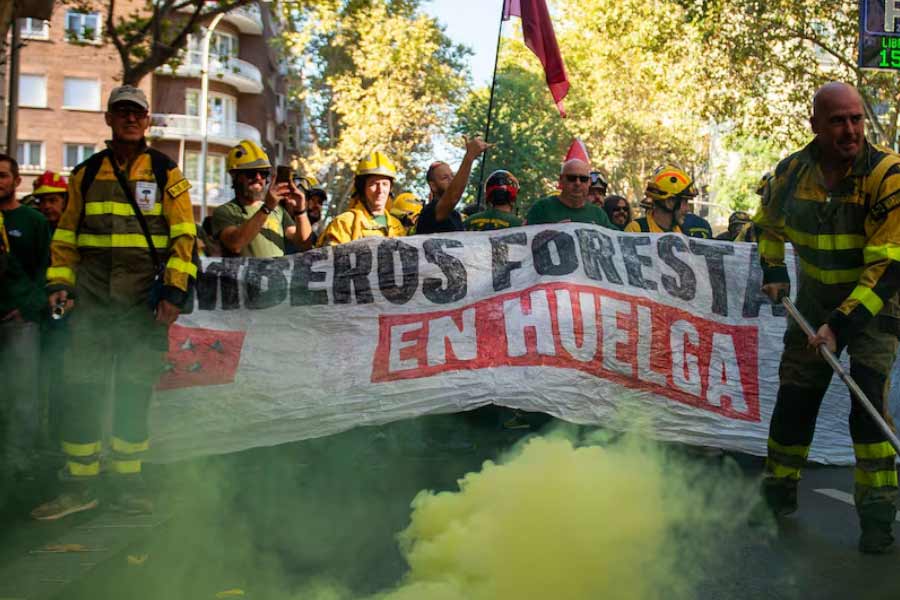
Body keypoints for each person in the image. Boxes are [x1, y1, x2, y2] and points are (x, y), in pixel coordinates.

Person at [32, 85, 197, 520]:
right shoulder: (85, 174)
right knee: (80, 391)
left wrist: (174, 294)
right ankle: (80, 486)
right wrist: (59, 286)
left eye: (136, 113)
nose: (129, 119)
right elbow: (65, 239)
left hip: (142, 305)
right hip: (89, 306)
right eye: (121, 112)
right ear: (108, 119)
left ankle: (128, 485)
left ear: (146, 121)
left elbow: (185, 238)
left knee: (132, 392)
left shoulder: (166, 173)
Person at [753, 81, 900, 554]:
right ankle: (776, 495)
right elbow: (768, 225)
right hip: (813, 302)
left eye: (856, 119)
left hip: (874, 307)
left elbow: (888, 267)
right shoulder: (791, 173)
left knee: (868, 410)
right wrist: (773, 269)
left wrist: (839, 326)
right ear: (815, 125)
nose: (850, 130)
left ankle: (877, 517)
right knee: (796, 399)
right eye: (838, 120)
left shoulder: (888, 175)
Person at [0, 154, 51, 485]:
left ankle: (20, 465)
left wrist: (28, 308)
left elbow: (45, 270)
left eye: (3, 175)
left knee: (22, 395)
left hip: (20, 323)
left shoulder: (32, 221)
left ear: (17, 181)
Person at [213, 140, 311, 257]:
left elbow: (304, 243)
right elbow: (235, 244)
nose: (258, 177)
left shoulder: (278, 211)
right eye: (251, 173)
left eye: (263, 173)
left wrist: (300, 211)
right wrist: (267, 207)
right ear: (235, 176)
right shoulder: (225, 211)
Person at [316, 151, 406, 246]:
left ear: (390, 188)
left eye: (385, 184)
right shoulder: (345, 223)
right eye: (374, 184)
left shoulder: (397, 227)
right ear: (362, 188)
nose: (380, 190)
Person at [416, 137, 491, 234]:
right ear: (433, 186)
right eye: (445, 178)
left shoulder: (455, 215)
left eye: (453, 176)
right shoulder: (430, 211)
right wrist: (470, 156)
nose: (451, 180)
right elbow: (453, 197)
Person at [525, 159, 613, 227]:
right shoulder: (542, 208)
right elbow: (524, 241)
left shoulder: (598, 214)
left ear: (589, 182)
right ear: (561, 179)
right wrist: (552, 232)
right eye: (572, 178)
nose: (577, 183)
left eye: (583, 179)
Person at [626, 165, 698, 234]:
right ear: (669, 202)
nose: (687, 209)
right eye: (685, 202)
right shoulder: (637, 230)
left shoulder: (682, 232)